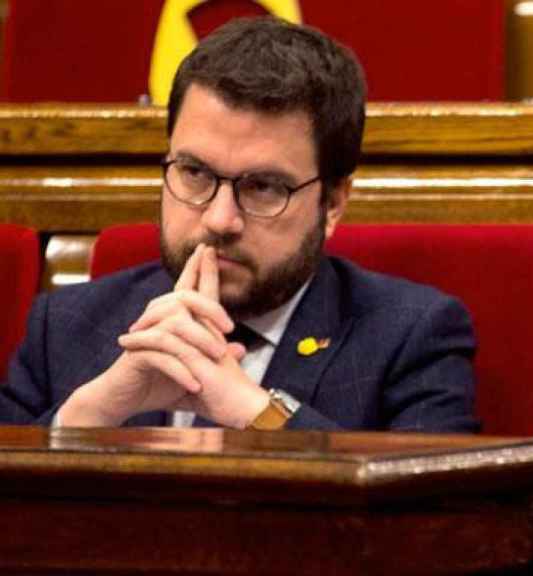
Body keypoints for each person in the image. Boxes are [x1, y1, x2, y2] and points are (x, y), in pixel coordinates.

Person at [0, 17, 477, 432]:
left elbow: (440, 527)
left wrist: (255, 412)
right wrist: (86, 417)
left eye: (263, 187)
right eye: (195, 173)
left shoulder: (411, 337)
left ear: (332, 203)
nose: (219, 219)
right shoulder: (65, 326)